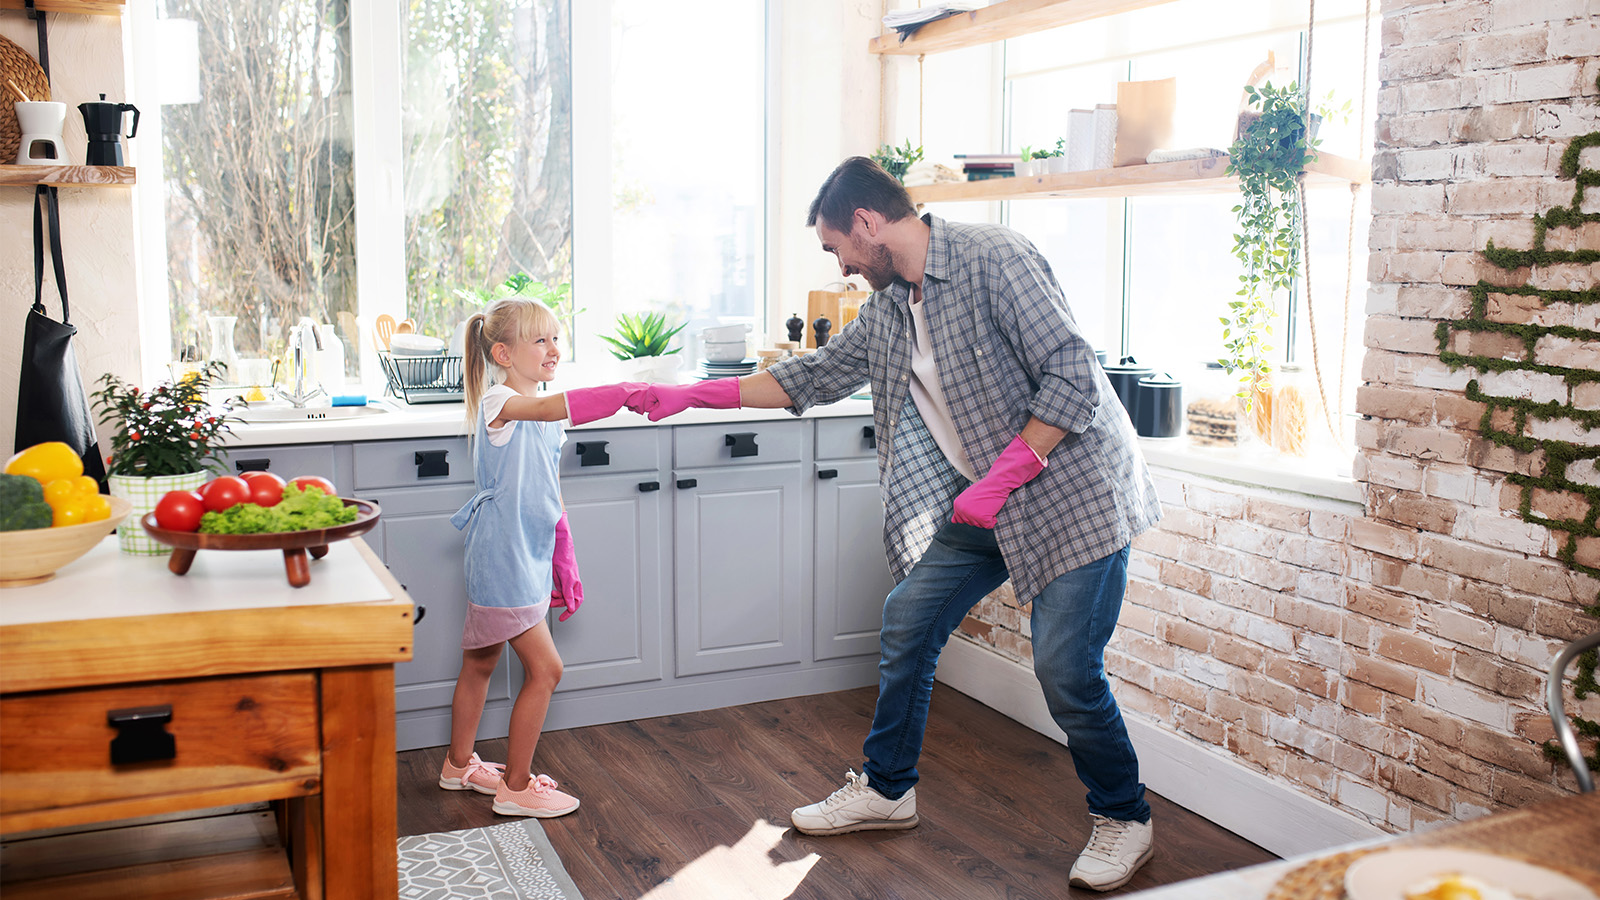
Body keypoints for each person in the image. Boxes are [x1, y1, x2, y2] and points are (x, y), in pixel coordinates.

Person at [624, 156, 1162, 891]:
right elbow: (806, 377)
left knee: (1066, 670)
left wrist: (1004, 476)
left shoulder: (993, 260)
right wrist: (691, 396)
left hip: (1072, 494)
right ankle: (887, 789)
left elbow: (1072, 374)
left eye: (835, 246)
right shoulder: (887, 313)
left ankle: (1125, 816)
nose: (840, 264)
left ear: (868, 224)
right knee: (908, 620)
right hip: (987, 500)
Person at [441, 295, 645, 818]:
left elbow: (544, 487)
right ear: (504, 354)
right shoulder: (500, 403)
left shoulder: (545, 410)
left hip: (524, 552)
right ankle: (516, 785)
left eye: (557, 337)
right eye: (541, 340)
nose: (554, 349)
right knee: (547, 670)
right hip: (503, 556)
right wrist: (619, 392)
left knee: (481, 661)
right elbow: (548, 408)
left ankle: (459, 765)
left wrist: (559, 555)